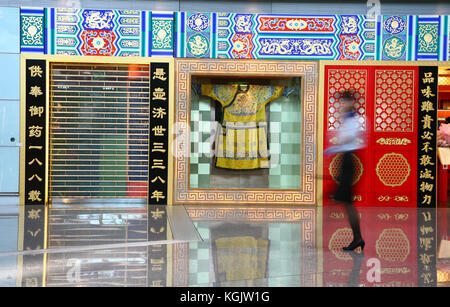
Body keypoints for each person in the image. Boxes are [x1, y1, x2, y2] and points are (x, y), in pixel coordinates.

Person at [325, 90, 365, 251]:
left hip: (349, 160)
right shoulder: (347, 119)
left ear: (350, 103)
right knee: (345, 202)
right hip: (345, 159)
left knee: (343, 200)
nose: (339, 106)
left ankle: (357, 238)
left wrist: (335, 146)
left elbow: (347, 139)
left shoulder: (356, 120)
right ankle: (357, 238)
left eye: (342, 102)